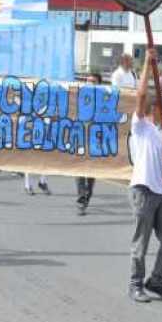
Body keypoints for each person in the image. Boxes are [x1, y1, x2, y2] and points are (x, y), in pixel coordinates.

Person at [128, 47, 162, 304]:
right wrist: (148, 64)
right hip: (144, 189)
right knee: (142, 242)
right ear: (153, 109)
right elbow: (139, 95)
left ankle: (156, 280)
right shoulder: (141, 127)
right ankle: (135, 284)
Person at [75, 72, 102, 215]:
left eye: (93, 81)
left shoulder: (103, 100)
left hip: (95, 140)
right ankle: (81, 199)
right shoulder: (80, 98)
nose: (90, 84)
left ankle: (87, 195)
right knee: (79, 169)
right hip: (80, 137)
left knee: (91, 172)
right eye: (88, 81)